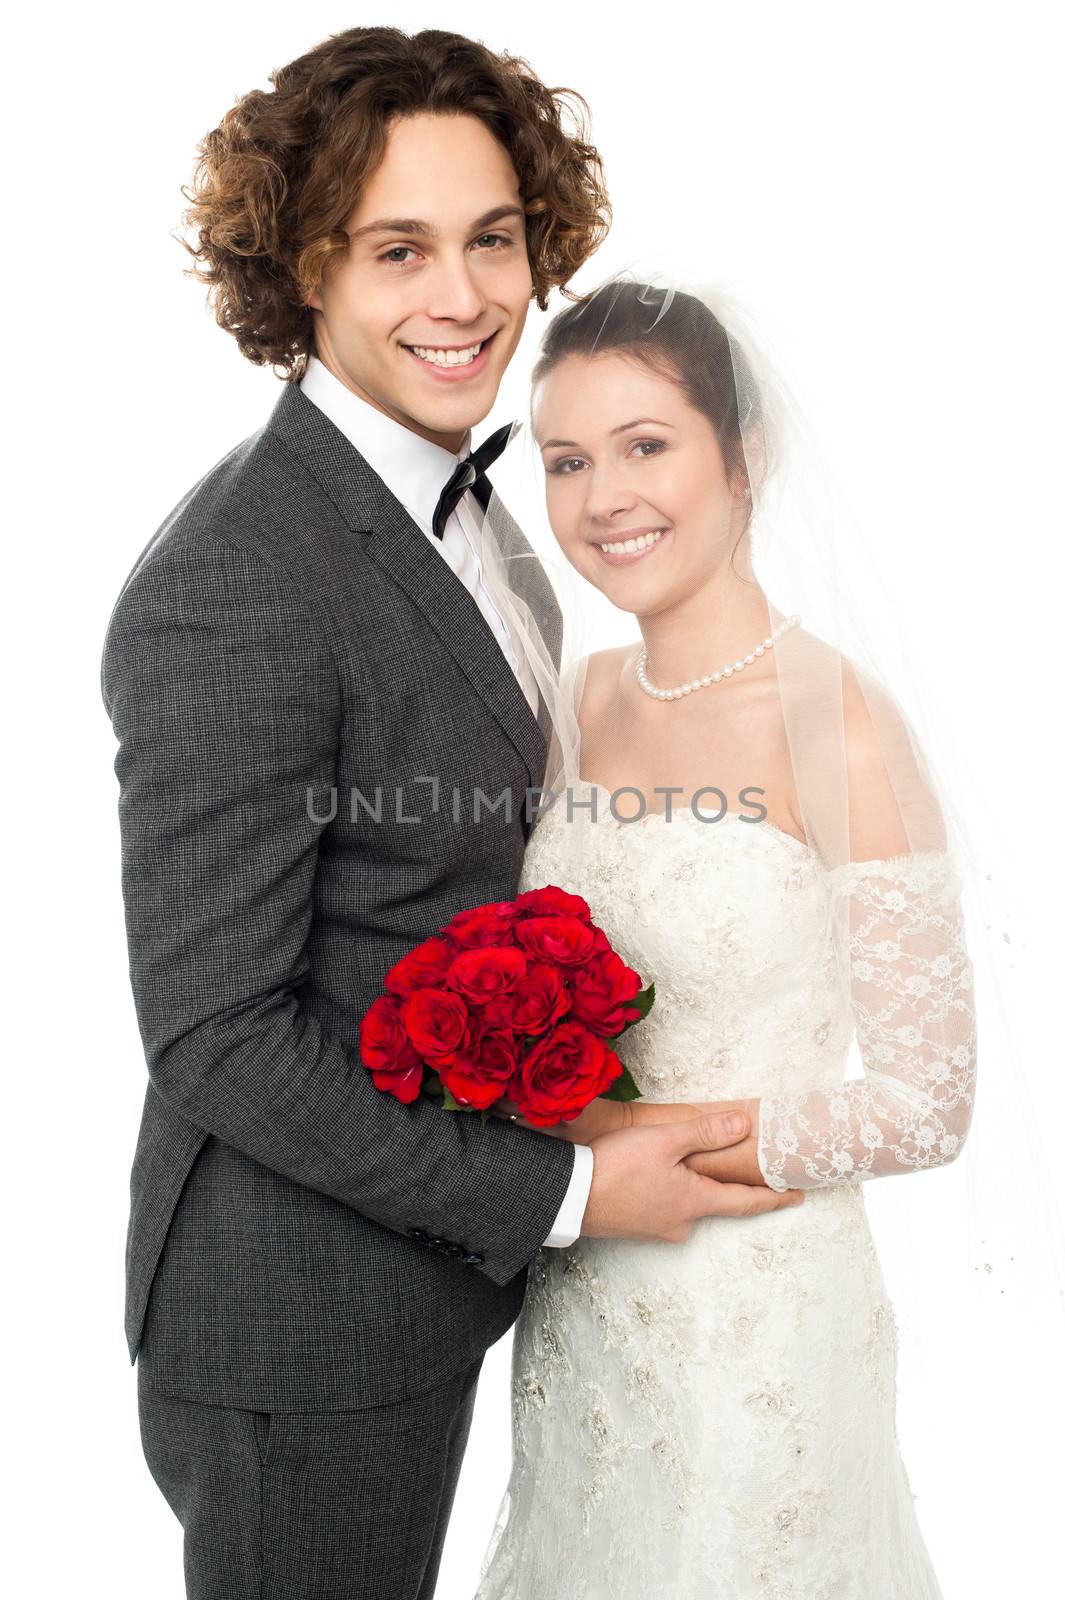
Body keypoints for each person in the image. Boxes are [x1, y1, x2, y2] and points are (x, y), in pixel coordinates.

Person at [99, 33, 801, 1600]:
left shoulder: (487, 508)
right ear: (300, 266)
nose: (464, 297)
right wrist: (559, 1193)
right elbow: (213, 1032)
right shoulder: (240, 575)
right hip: (298, 1323)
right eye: (397, 249)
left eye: (492, 238)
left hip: (424, 1283)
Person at [472, 277, 978, 1597]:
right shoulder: (572, 702)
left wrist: (639, 1143)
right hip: (585, 1301)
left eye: (646, 446)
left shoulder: (834, 719)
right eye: (568, 461)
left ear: (740, 460)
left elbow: (926, 1104)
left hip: (761, 1308)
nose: (600, 499)